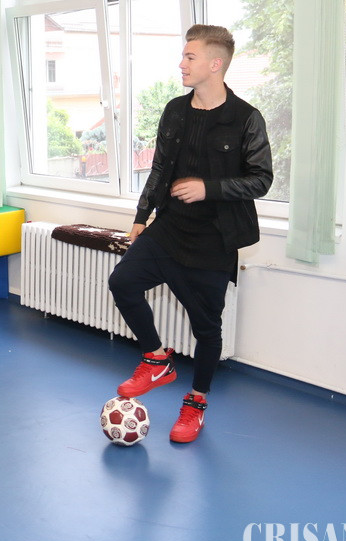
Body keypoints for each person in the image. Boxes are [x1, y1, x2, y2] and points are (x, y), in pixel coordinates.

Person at [108, 24, 272, 443]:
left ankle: (196, 403)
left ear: (215, 64)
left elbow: (261, 180)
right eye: (183, 56)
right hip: (169, 228)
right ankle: (156, 359)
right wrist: (141, 215)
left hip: (215, 240)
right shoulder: (175, 110)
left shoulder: (246, 118)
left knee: (207, 329)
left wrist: (208, 188)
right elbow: (160, 167)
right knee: (123, 282)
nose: (181, 64)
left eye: (190, 57)